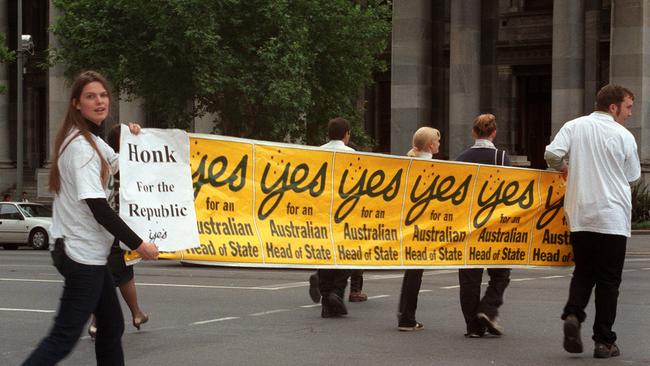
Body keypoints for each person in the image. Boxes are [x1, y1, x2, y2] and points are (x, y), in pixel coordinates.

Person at [22, 70, 159, 365]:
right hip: (80, 255)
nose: (99, 101)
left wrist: (134, 137)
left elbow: (125, 166)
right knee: (64, 337)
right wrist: (139, 244)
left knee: (111, 326)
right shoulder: (81, 148)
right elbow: (99, 208)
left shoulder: (94, 142)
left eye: (103, 95)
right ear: (76, 104)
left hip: (90, 255)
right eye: (90, 96)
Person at [545, 84, 640, 359]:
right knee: (609, 280)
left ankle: (573, 314)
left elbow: (552, 154)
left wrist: (565, 168)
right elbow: (633, 176)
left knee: (584, 271)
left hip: (580, 214)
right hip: (612, 217)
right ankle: (604, 341)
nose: (630, 114)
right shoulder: (623, 136)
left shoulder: (574, 126)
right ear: (613, 107)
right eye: (628, 107)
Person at [87, 124, 149, 340]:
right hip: (115, 228)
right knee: (109, 275)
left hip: (114, 230)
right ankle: (98, 321)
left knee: (122, 273)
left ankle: (136, 313)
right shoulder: (121, 166)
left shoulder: (108, 162)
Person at [455, 114, 511, 338]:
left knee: (469, 277)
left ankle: (473, 326)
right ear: (494, 133)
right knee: (501, 274)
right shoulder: (501, 157)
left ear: (473, 133)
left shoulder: (461, 159)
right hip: (495, 224)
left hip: (467, 225)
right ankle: (487, 308)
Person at [397, 126, 441, 331]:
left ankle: (405, 314)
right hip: (423, 225)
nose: (440, 144)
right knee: (415, 271)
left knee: (412, 271)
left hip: (409, 222)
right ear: (431, 145)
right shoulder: (432, 166)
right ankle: (406, 317)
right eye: (438, 141)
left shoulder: (409, 163)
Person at [313, 117, 355, 317]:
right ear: (347, 134)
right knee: (344, 253)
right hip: (345, 211)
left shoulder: (317, 153)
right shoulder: (352, 154)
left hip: (322, 212)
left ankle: (325, 299)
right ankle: (336, 292)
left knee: (325, 253)